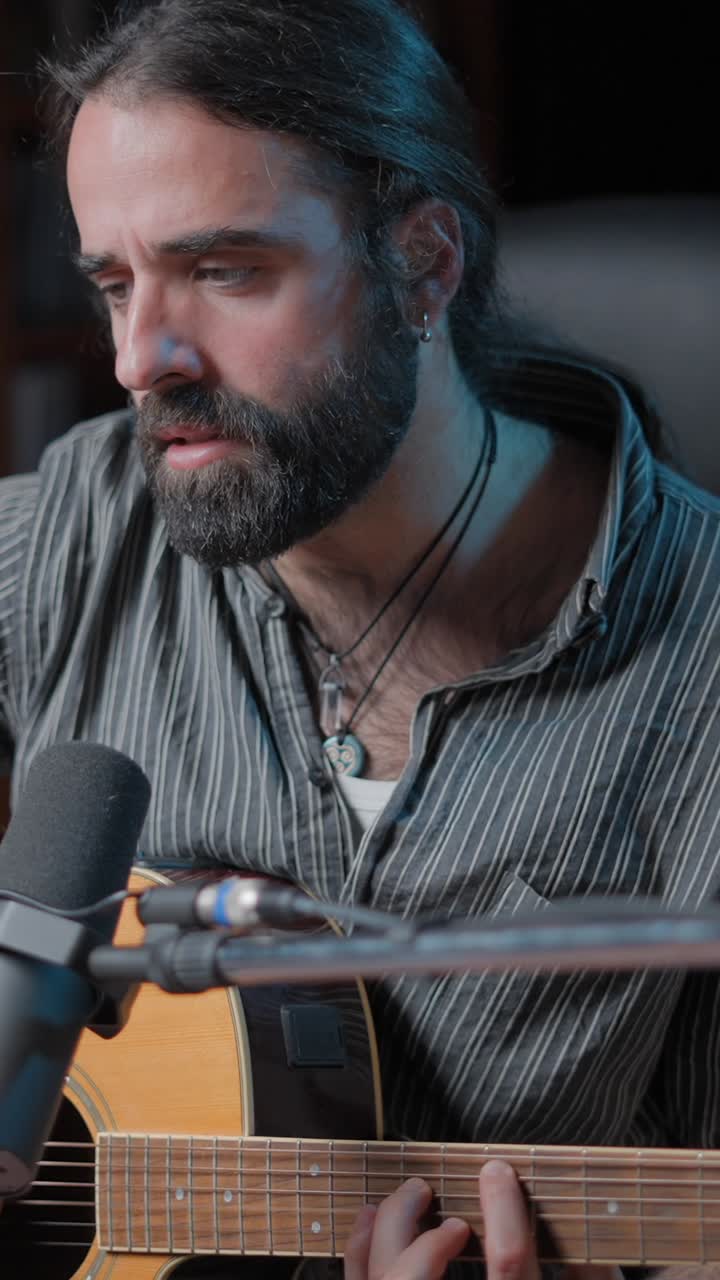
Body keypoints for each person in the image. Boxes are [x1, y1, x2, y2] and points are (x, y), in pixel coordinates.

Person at [1, 0, 720, 1276]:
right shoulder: (77, 530)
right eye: (116, 281)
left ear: (425, 265)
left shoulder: (701, 667)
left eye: (224, 271)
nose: (136, 358)